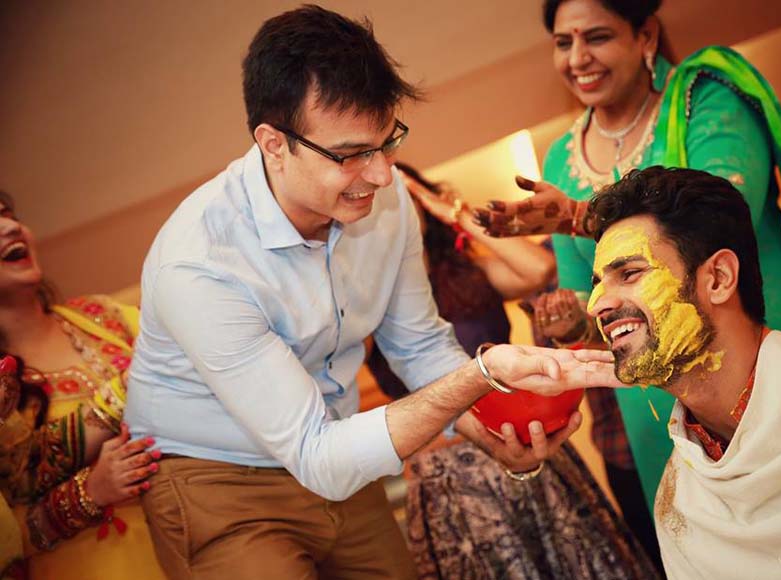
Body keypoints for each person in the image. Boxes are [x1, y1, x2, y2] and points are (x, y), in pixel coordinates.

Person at [123, 7, 620, 579]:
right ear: (273, 144)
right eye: (351, 154)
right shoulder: (200, 262)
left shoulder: (387, 199)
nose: (384, 175)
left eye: (388, 142)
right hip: (215, 477)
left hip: (333, 450)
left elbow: (417, 344)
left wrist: (486, 430)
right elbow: (316, 454)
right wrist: (478, 380)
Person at [474, 0, 781, 520]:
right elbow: (591, 307)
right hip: (656, 390)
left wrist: (578, 216)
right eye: (564, 43)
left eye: (598, 37)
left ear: (646, 35)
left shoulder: (706, 97)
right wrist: (570, 326)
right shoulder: (562, 156)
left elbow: (724, 212)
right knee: (719, 537)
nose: (577, 58)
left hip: (766, 340)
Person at [583, 166, 781, 580]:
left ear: (718, 278)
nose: (595, 306)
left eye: (629, 274)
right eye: (597, 283)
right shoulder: (678, 504)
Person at [367, 165, 658, 579]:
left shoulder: (469, 273)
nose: (387, 208)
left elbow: (537, 270)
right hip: (447, 471)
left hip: (525, 440)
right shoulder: (368, 300)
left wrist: (454, 213)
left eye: (397, 195)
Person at [0, 192, 164, 579]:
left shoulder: (101, 314)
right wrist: (89, 492)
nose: (8, 226)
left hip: (188, 533)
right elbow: (10, 533)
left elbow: (182, 357)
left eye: (7, 213)